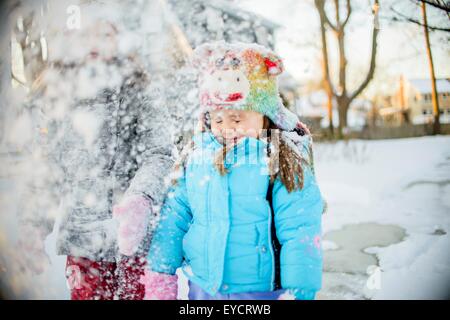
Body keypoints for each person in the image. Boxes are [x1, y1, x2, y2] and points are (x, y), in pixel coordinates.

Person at [138, 41, 325, 300]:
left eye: (237, 119)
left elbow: (300, 227)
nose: (227, 127)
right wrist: (160, 271)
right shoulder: (198, 157)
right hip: (204, 288)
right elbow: (174, 218)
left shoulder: (279, 159)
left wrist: (300, 289)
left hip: (259, 290)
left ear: (264, 116)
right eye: (217, 119)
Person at [17, 17, 174, 300]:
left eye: (104, 35)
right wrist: (34, 225)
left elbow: (159, 153)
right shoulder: (62, 97)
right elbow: (50, 169)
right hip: (83, 241)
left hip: (134, 241)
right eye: (84, 36)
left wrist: (140, 198)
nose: (93, 44)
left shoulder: (144, 90)